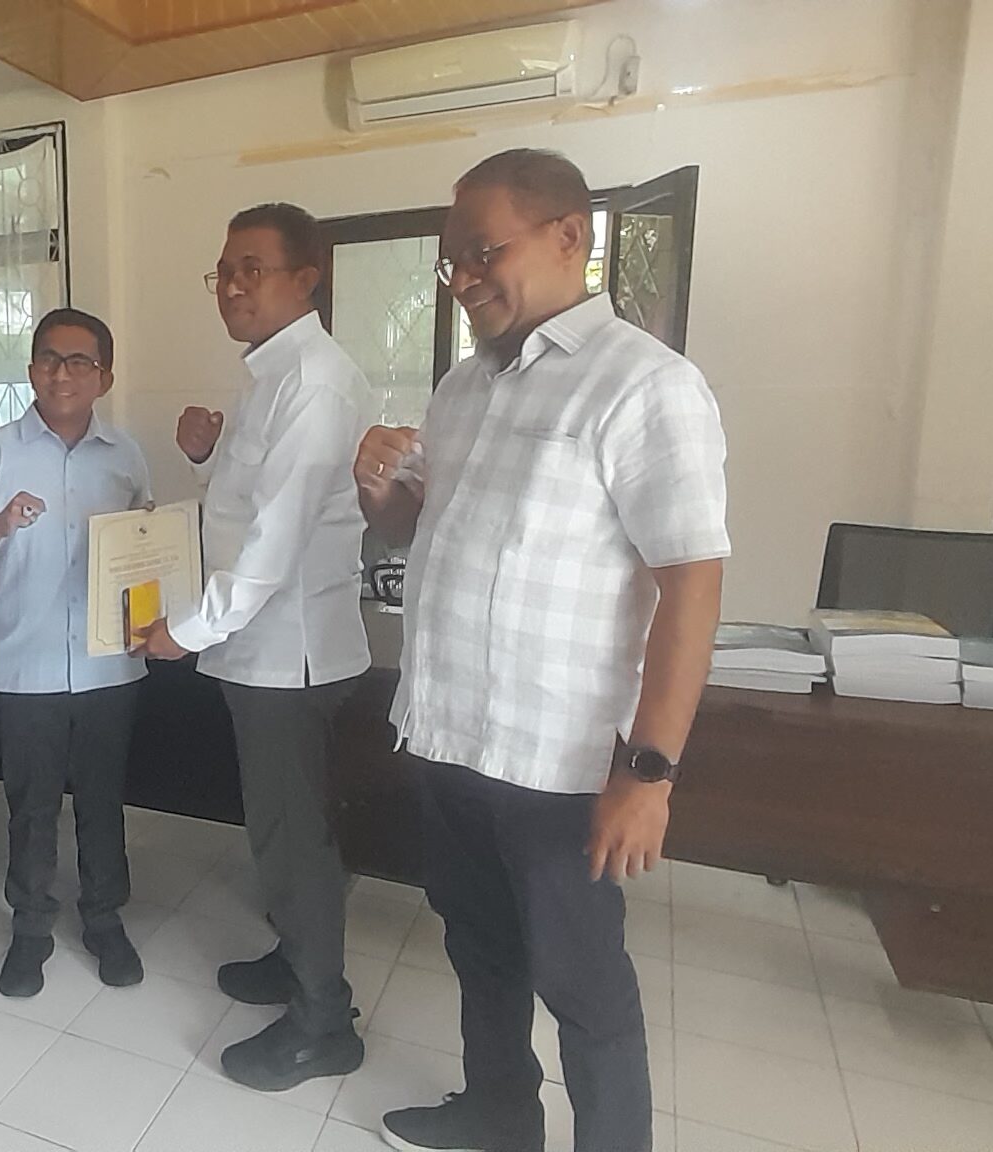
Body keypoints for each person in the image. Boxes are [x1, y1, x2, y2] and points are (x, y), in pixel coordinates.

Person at [361, 149, 727, 1152]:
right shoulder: (463, 388)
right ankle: (498, 1114)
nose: (464, 278)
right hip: (448, 735)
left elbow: (692, 582)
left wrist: (649, 772)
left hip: (556, 762)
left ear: (570, 236)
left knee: (583, 987)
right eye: (452, 262)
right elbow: (415, 531)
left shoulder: (644, 386)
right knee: (479, 950)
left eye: (483, 252)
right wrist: (378, 492)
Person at [134, 203, 372, 1092]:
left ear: (306, 279)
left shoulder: (314, 380)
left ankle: (323, 1024)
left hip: (287, 654)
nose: (232, 286)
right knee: (279, 832)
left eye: (253, 269)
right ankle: (296, 960)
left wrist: (186, 630)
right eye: (225, 270)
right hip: (260, 647)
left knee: (295, 838)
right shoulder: (271, 374)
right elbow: (249, 504)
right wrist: (209, 456)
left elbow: (273, 542)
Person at [0, 308, 152, 998]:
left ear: (104, 377)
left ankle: (104, 920)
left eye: (80, 361)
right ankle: (31, 928)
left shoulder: (126, 455)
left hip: (108, 663)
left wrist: (153, 618)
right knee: (30, 806)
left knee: (102, 801)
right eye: (51, 359)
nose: (64, 373)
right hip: (23, 664)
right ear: (31, 371)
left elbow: (146, 549)